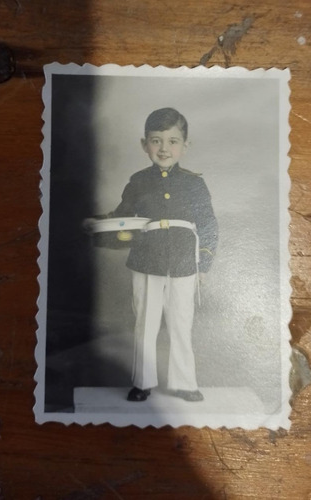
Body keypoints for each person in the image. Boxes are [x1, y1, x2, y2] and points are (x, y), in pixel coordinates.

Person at [111, 107, 218, 402]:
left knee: (181, 322)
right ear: (144, 144)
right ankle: (142, 382)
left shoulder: (194, 183)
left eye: (172, 141)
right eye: (156, 141)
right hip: (146, 260)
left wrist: (205, 261)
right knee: (145, 322)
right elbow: (122, 218)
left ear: (186, 145)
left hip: (184, 260)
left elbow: (208, 222)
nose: (164, 148)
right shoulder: (137, 181)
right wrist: (104, 228)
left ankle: (184, 382)